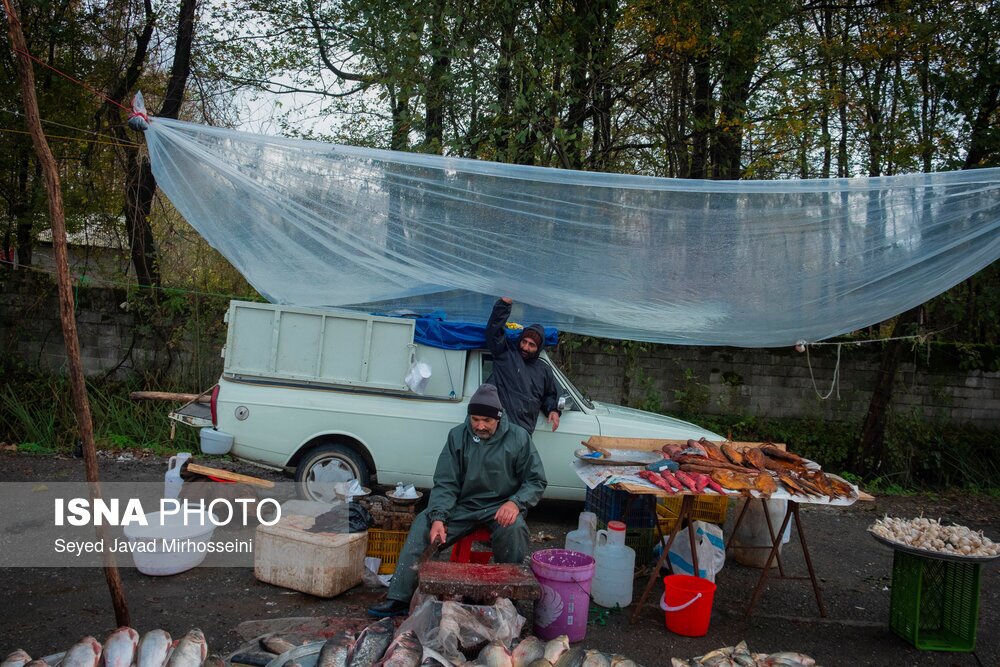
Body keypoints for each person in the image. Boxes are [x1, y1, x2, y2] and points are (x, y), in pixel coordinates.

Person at [367, 384, 547, 618]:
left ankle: (508, 599)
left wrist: (516, 503)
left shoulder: (519, 438)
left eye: (486, 420)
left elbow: (536, 480)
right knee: (424, 522)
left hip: (500, 506)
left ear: (498, 419)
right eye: (475, 419)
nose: (480, 425)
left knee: (514, 531)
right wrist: (439, 517)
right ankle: (398, 597)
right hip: (463, 506)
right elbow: (446, 482)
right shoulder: (457, 436)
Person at [485, 296, 560, 435]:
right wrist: (504, 305)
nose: (525, 347)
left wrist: (553, 410)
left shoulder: (544, 369)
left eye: (532, 345)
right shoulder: (505, 356)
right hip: (498, 431)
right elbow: (493, 333)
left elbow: (549, 395)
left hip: (523, 435)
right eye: (524, 341)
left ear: (538, 348)